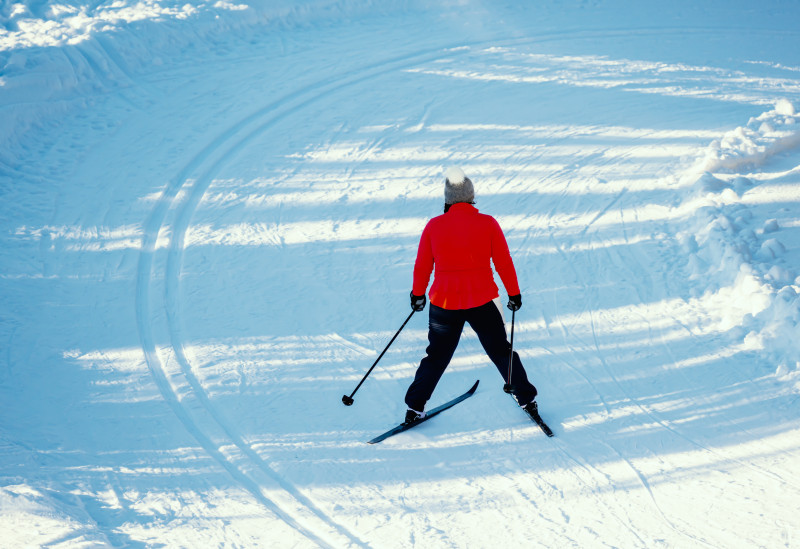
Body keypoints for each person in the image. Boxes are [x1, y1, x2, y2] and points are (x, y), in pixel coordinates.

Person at [404, 167, 539, 424]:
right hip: (482, 301)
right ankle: (526, 399)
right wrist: (514, 293)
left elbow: (423, 265)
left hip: (444, 303)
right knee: (501, 351)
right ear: (471, 196)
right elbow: (504, 262)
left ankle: (414, 407)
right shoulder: (487, 223)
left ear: (447, 198)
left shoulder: (434, 226)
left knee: (437, 356)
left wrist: (418, 294)